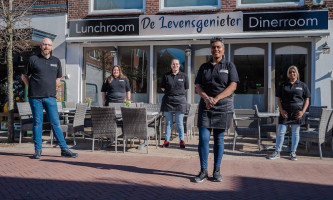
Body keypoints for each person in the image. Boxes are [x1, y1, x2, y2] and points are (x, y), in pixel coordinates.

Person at [21, 38, 78, 159]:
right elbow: (24, 76)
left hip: (50, 97)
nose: (47, 47)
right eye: (45, 44)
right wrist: (31, 87)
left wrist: (55, 88)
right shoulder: (33, 59)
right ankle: (38, 150)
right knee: (37, 123)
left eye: (49, 45)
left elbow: (58, 78)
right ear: (41, 46)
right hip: (35, 97)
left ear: (51, 47)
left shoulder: (56, 61)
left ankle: (64, 149)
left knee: (55, 123)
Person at [194, 37, 239, 183]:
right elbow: (198, 86)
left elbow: (233, 86)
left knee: (219, 140)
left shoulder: (229, 65)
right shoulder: (204, 67)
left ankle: (217, 171)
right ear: (211, 49)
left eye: (218, 47)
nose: (216, 49)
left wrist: (216, 98)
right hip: (205, 106)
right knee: (203, 139)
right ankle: (203, 171)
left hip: (223, 106)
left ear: (223, 49)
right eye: (213, 47)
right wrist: (206, 98)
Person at [267, 65, 310, 161]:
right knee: (281, 132)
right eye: (290, 72)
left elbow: (307, 99)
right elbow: (278, 99)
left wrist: (303, 112)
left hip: (297, 113)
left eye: (294, 72)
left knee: (295, 133)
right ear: (288, 74)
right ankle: (277, 152)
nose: (292, 74)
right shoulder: (283, 85)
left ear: (297, 73)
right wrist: (281, 110)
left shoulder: (302, 85)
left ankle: (293, 152)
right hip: (285, 112)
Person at [160, 59, 189, 148]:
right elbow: (162, 88)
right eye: (173, 64)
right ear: (171, 65)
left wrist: (177, 94)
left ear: (179, 65)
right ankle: (166, 141)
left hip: (180, 102)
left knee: (179, 122)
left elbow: (186, 88)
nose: (175, 65)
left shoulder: (184, 76)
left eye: (177, 64)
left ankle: (182, 141)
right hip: (168, 101)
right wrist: (171, 93)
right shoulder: (166, 75)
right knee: (168, 123)